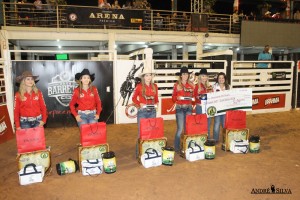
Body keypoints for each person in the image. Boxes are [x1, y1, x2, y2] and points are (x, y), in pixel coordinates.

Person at [132, 67, 158, 157]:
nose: (148, 77)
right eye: (146, 75)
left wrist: (156, 103)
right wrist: (140, 104)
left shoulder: (155, 86)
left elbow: (157, 99)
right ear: (143, 77)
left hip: (152, 111)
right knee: (141, 132)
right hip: (142, 111)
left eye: (150, 75)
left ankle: (149, 151)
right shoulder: (139, 86)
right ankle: (138, 152)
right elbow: (134, 98)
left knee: (151, 132)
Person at [172, 67, 194, 152]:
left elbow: (194, 96)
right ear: (181, 75)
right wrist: (177, 97)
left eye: (187, 74)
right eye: (184, 74)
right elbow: (173, 98)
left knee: (187, 128)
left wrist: (193, 98)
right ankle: (177, 147)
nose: (185, 75)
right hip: (180, 108)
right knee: (180, 128)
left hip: (189, 107)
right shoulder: (176, 85)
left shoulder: (191, 85)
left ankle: (186, 146)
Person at [212, 72, 230, 143]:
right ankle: (215, 140)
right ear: (217, 79)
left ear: (225, 79)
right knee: (216, 123)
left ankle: (225, 139)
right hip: (217, 109)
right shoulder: (214, 86)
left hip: (225, 109)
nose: (221, 79)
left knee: (224, 124)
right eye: (219, 78)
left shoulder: (228, 87)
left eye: (222, 78)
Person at [194, 68, 212, 137]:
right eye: (202, 76)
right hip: (200, 107)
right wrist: (200, 97)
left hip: (208, 107)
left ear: (207, 77)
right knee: (200, 124)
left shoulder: (210, 87)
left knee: (208, 124)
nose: (204, 77)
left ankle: (208, 138)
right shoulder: (196, 86)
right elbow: (195, 97)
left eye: (205, 76)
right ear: (200, 77)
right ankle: (200, 139)